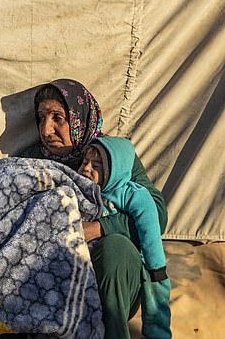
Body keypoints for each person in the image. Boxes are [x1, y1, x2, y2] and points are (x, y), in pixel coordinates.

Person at [19, 78, 169, 339]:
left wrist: (98, 228)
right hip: (51, 275)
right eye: (41, 118)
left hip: (112, 279)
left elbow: (156, 214)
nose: (46, 130)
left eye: (58, 118)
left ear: (79, 118)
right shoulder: (35, 162)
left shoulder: (113, 155)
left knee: (117, 247)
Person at [79, 136, 172, 338]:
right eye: (84, 162)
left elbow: (152, 233)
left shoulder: (132, 195)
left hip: (116, 275)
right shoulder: (81, 191)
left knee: (116, 247)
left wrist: (156, 272)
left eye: (96, 165)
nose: (86, 169)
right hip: (77, 274)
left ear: (115, 171)